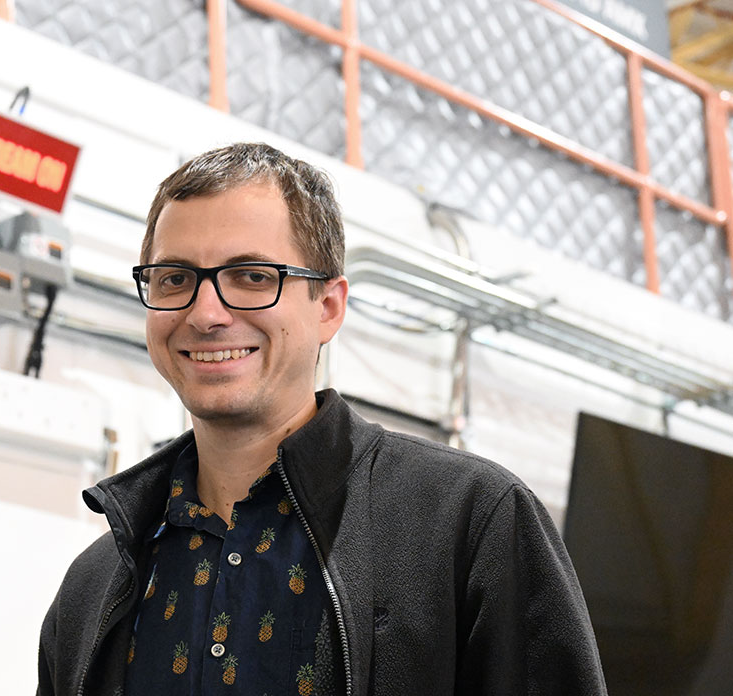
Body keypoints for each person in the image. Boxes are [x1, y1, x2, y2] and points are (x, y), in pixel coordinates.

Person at [36, 142, 606, 695]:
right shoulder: (91, 590)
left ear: (328, 307)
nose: (206, 314)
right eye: (174, 279)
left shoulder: (471, 522)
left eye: (252, 277)